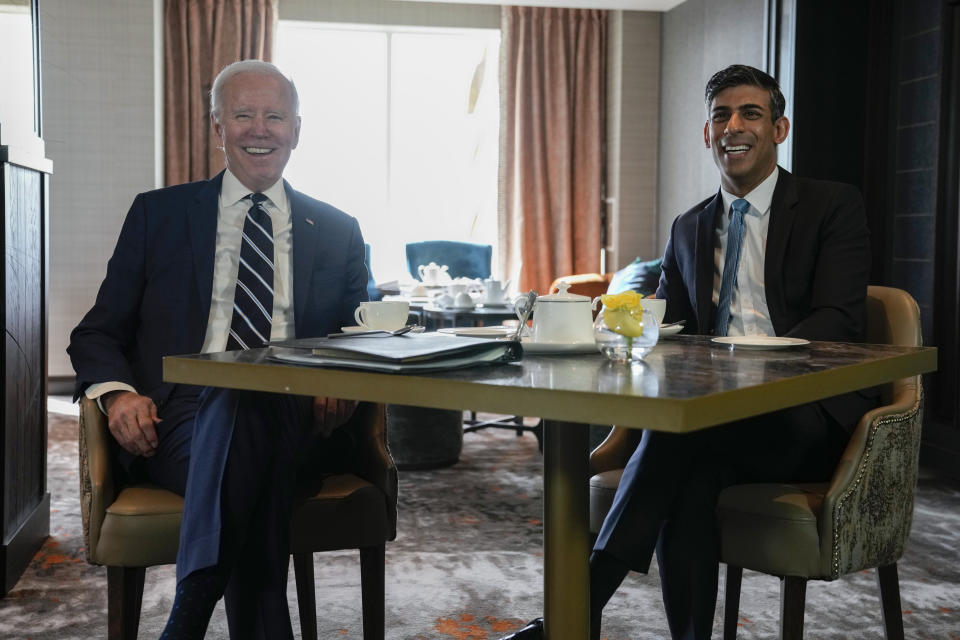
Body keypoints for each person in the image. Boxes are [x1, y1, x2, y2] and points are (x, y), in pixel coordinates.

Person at [500, 64, 877, 640]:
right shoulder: (689, 226)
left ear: (780, 128)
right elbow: (668, 321)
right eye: (721, 115)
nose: (734, 125)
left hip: (807, 414)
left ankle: (575, 612)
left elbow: (839, 321)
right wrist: (620, 320)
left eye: (751, 113)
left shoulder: (832, 206)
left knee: (679, 440)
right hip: (714, 421)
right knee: (690, 481)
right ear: (707, 134)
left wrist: (742, 358)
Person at [68, 60, 368, 639]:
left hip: (302, 413)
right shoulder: (158, 215)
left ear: (297, 130)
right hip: (179, 419)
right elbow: (98, 331)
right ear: (217, 128)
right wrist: (118, 395)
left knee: (252, 402)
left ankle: (187, 618)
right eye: (243, 114)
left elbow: (367, 333)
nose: (261, 129)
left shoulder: (337, 229)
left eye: (275, 116)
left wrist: (342, 375)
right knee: (241, 413)